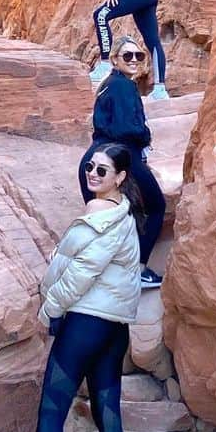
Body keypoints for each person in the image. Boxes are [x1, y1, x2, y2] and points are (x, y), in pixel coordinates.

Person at [15, 144, 142, 432]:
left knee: (52, 412)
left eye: (102, 170)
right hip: (113, 330)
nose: (93, 173)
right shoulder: (119, 214)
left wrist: (50, 308)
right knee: (109, 416)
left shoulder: (105, 219)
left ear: (121, 176)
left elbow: (82, 273)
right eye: (89, 166)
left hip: (84, 324)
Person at [79, 36, 167, 290]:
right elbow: (127, 128)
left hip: (93, 158)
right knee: (156, 206)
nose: (134, 60)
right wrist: (145, 137)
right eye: (127, 56)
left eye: (138, 56)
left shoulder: (109, 84)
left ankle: (98, 275)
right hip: (118, 155)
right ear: (115, 59)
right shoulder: (124, 87)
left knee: (105, 218)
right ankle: (138, 270)